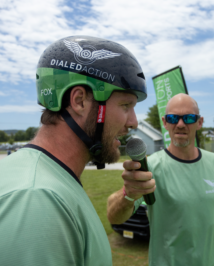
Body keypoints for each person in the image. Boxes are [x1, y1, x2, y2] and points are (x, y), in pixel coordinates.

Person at [0, 35, 147, 265]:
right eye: (125, 105)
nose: (134, 122)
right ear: (79, 101)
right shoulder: (37, 200)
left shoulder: (50, 179)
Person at [107, 93, 214, 266]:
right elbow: (115, 217)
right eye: (173, 118)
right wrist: (127, 195)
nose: (180, 124)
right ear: (165, 122)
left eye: (189, 118)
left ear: (199, 122)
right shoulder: (150, 167)